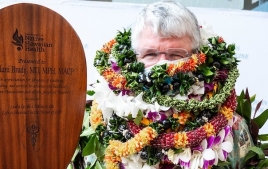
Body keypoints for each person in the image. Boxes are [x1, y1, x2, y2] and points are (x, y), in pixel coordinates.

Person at [73, 1, 256, 169]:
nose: (162, 66)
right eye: (150, 54)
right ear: (133, 56)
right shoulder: (104, 119)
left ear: (197, 55)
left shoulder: (232, 128)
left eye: (175, 55)